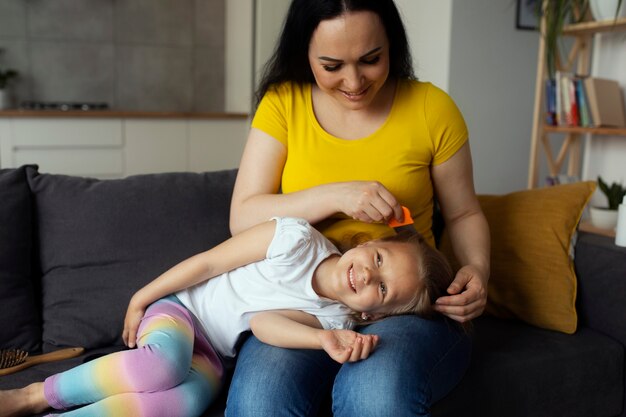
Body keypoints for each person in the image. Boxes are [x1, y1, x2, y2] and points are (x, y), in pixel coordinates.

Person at [227, 0, 490, 416]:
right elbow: (242, 217)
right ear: (305, 54)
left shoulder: (431, 108)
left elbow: (463, 214)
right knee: (262, 400)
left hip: (402, 307)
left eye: (371, 60)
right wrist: (336, 195)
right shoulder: (283, 104)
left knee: (375, 392)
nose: (354, 81)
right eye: (332, 66)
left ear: (392, 44)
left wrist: (477, 269)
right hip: (302, 304)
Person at [0, 217, 454, 417]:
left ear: (376, 312)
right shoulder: (294, 239)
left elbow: (262, 324)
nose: (367, 275)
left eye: (382, 288)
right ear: (362, 242)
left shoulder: (337, 318)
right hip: (180, 311)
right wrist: (144, 296)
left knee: (186, 403)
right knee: (161, 365)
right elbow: (209, 264)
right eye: (376, 258)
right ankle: (35, 396)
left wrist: (323, 342)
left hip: (214, 353)